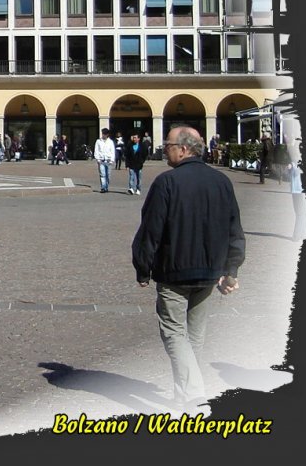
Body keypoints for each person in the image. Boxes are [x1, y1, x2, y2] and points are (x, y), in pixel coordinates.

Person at [132, 126, 245, 411]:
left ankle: (195, 394)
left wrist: (143, 267)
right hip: (209, 272)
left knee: (173, 332)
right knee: (193, 336)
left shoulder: (167, 182)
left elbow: (151, 230)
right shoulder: (221, 181)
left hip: (174, 271)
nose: (164, 148)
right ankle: (185, 397)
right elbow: (235, 230)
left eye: (167, 144)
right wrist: (231, 269)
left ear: (183, 149)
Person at [94, 128, 115, 193]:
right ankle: (103, 187)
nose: (103, 135)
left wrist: (112, 160)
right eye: (103, 134)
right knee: (102, 175)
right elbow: (96, 150)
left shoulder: (110, 142)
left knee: (108, 175)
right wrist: (97, 159)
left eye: (105, 134)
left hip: (108, 161)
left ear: (107, 134)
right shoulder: (98, 141)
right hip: (101, 160)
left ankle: (106, 186)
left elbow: (112, 151)